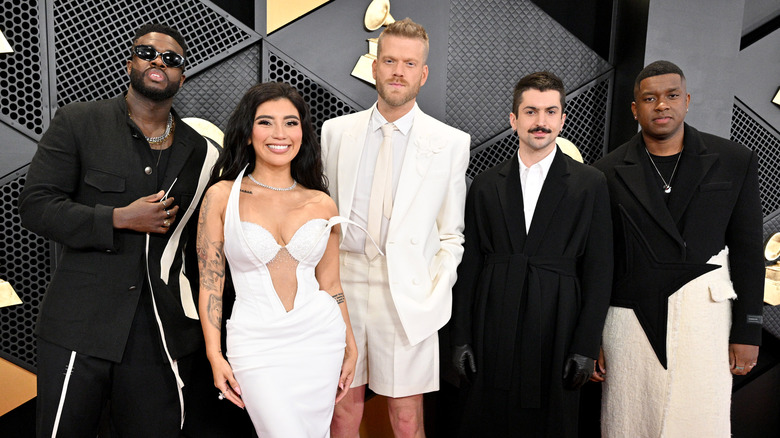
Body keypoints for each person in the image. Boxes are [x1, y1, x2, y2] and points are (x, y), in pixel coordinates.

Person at [18, 23, 219, 436]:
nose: (158, 61)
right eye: (147, 52)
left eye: (171, 58)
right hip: (80, 323)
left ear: (182, 76)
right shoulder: (79, 121)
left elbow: (204, 239)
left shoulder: (199, 150)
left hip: (160, 330)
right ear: (130, 63)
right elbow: (36, 206)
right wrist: (117, 218)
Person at [593, 60, 764, 437]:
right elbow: (600, 261)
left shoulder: (734, 160)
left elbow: (749, 251)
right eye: (649, 98)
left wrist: (749, 329)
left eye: (671, 95)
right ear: (635, 108)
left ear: (686, 100)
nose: (661, 105)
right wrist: (591, 337)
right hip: (630, 324)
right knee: (630, 422)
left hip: (706, 320)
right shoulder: (605, 172)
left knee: (699, 420)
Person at [321, 18, 470, 437]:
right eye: (389, 61)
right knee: (342, 412)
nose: (398, 72)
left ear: (423, 73)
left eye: (409, 63)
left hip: (406, 291)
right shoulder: (335, 132)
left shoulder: (450, 142)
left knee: (406, 419)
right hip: (343, 286)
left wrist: (433, 292)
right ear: (375, 67)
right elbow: (323, 216)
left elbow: (451, 233)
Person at [450, 72, 613, 437]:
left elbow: (600, 269)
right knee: (485, 420)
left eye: (550, 112)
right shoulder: (486, 184)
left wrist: (586, 345)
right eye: (530, 112)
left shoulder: (590, 183)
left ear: (563, 120)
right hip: (492, 318)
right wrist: (461, 336)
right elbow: (470, 264)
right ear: (513, 120)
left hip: (558, 320)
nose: (541, 121)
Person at [197, 82, 359, 437]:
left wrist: (350, 345)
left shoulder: (321, 202)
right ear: (247, 132)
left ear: (302, 132)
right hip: (255, 342)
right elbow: (211, 283)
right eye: (266, 122)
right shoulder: (222, 196)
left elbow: (331, 284)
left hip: (320, 339)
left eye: (290, 122)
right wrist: (214, 354)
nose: (280, 133)